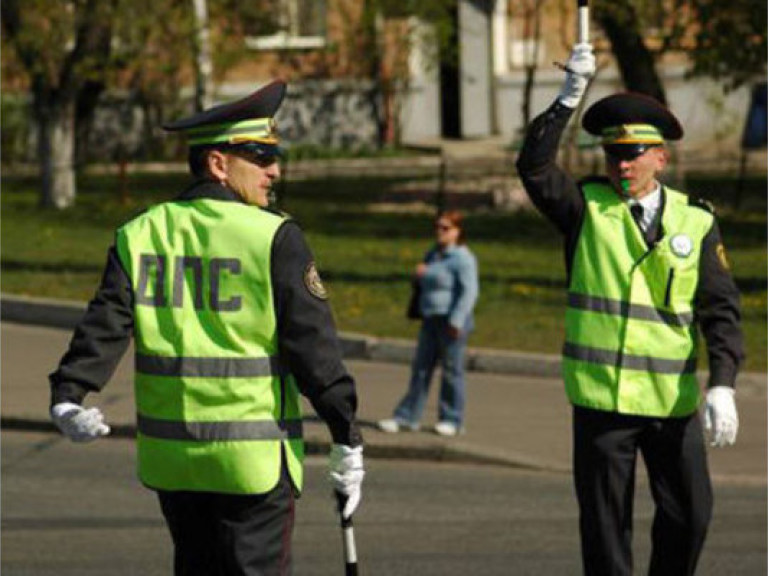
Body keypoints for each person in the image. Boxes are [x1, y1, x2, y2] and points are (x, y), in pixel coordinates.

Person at [48, 80, 365, 575]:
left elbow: (107, 319)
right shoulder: (274, 236)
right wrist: (346, 433)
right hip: (253, 465)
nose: (274, 170)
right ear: (219, 164)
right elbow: (314, 351)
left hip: (174, 462)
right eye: (260, 156)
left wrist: (70, 391)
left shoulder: (141, 232)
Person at [516, 43, 744, 576]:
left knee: (691, 516)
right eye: (614, 154)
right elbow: (533, 166)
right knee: (604, 529)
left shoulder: (696, 221)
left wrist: (724, 383)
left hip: (672, 402)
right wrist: (568, 98)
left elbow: (721, 311)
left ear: (660, 157)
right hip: (604, 402)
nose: (622, 164)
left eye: (634, 154)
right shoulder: (584, 208)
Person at [378, 210, 479, 437]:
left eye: (446, 228)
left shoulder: (463, 259)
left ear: (457, 232)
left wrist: (457, 320)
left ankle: (452, 419)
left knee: (452, 372)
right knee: (421, 369)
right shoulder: (434, 254)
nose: (440, 232)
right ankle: (407, 417)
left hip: (451, 322)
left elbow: (469, 292)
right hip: (431, 319)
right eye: (438, 227)